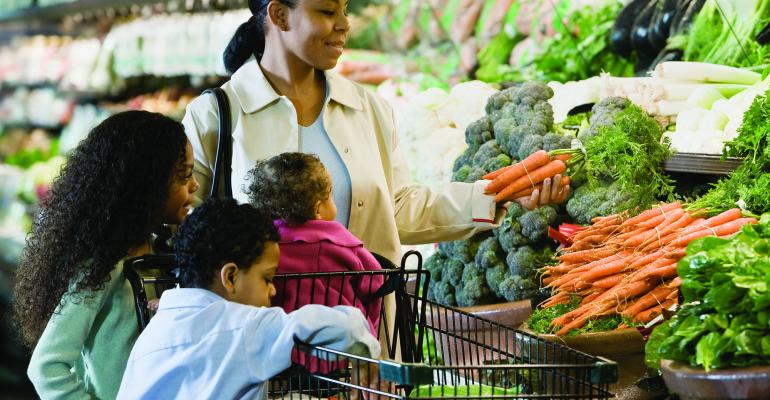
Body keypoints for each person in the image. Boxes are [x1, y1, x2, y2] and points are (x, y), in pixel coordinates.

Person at [182, 0, 536, 266]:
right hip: (263, 343)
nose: (344, 25)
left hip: (364, 336)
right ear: (279, 15)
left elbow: (398, 208)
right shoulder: (214, 115)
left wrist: (495, 195)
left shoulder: (369, 109)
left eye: (345, 10)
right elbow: (188, 233)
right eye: (327, 12)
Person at [13, 111, 199, 399]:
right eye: (183, 175)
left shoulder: (162, 250)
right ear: (146, 182)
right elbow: (47, 366)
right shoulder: (104, 266)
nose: (194, 185)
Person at [117, 198, 380, 399]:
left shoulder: (154, 333)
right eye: (267, 278)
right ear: (230, 277)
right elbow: (343, 326)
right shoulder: (245, 326)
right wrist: (363, 351)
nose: (274, 290)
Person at [248, 152, 383, 334]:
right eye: (331, 196)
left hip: (284, 341)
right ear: (318, 208)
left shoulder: (262, 246)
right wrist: (370, 326)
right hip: (342, 344)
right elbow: (375, 282)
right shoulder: (343, 244)